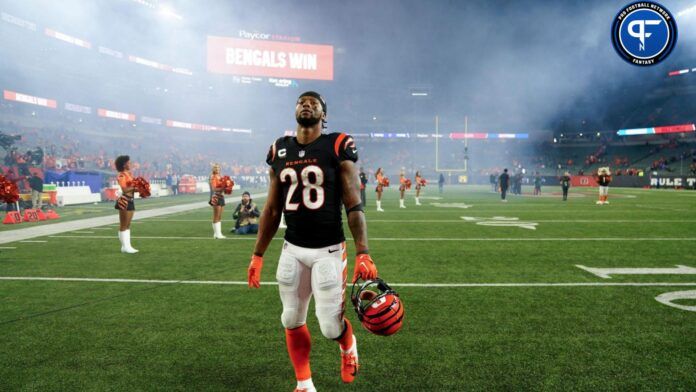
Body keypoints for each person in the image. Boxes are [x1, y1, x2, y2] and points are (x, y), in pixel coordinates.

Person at [247, 91, 378, 392]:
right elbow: (270, 209)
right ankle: (304, 383)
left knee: (330, 326)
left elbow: (353, 203)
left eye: (314, 103)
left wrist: (363, 252)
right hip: (292, 247)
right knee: (290, 318)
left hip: (328, 249)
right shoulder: (279, 150)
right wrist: (257, 255)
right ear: (295, 110)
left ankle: (347, 345)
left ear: (323, 114)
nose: (307, 104)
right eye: (302, 102)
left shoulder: (336, 145)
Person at [114, 155, 138, 253]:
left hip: (131, 199)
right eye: (128, 162)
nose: (130, 164)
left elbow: (133, 188)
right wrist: (135, 186)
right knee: (123, 225)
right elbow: (125, 189)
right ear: (124, 165)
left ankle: (126, 246)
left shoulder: (129, 174)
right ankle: (125, 247)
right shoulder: (122, 175)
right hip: (124, 199)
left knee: (128, 225)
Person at [209, 163, 226, 239]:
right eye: (216, 168)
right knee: (216, 216)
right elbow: (213, 188)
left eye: (218, 168)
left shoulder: (220, 176)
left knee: (219, 216)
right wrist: (223, 188)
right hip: (215, 196)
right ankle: (217, 234)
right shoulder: (213, 177)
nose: (217, 169)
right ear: (213, 169)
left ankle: (217, 234)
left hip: (221, 196)